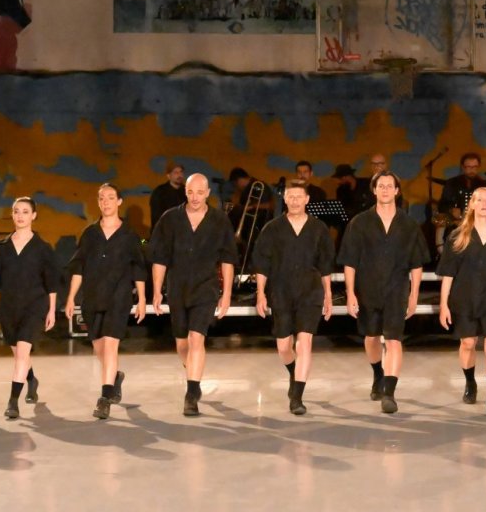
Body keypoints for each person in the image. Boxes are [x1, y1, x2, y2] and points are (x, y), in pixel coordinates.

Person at [145, 173, 237, 416]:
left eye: (200, 192)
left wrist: (227, 293)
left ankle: (191, 393)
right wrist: (157, 290)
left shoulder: (219, 220)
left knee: (197, 338)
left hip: (206, 287)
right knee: (182, 343)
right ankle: (193, 374)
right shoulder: (170, 219)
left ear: (208, 193)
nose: (195, 197)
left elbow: (228, 259)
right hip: (177, 287)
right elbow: (160, 258)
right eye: (190, 192)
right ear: (185, 192)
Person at [338, 171, 429, 414]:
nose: (386, 190)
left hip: (397, 288)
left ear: (397, 191)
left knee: (394, 339)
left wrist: (414, 294)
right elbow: (349, 262)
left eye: (390, 186)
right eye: (381, 186)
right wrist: (350, 293)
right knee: (371, 337)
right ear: (374, 190)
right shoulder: (359, 223)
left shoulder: (409, 225)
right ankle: (378, 373)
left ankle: (389, 393)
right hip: (367, 288)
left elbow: (417, 263)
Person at [66, 183, 148, 420]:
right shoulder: (90, 234)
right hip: (92, 297)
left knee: (111, 345)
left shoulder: (129, 235)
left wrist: (142, 299)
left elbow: (138, 268)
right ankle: (115, 377)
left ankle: (104, 399)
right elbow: (79, 267)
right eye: (102, 198)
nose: (106, 202)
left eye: (111, 197)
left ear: (119, 201)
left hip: (118, 297)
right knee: (99, 348)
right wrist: (71, 297)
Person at [253, 180, 335, 415]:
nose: (295, 201)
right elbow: (262, 264)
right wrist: (260, 293)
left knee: (305, 341)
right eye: (291, 196)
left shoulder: (318, 228)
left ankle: (297, 396)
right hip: (280, 290)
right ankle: (293, 372)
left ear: (307, 199)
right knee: (283, 347)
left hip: (310, 290)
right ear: (285, 198)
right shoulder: (272, 228)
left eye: (299, 196)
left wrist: (328, 295)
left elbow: (326, 265)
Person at [438, 187, 486, 417]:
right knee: (468, 344)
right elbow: (448, 274)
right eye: (479, 200)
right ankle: (470, 383)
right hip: (465, 298)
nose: (484, 204)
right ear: (471, 203)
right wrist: (443, 305)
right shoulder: (458, 236)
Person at [0, 197, 60, 420]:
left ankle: (13, 401)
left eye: (25, 211)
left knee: (23, 353)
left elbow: (52, 282)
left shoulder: (43, 248)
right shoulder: (1, 248)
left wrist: (51, 310)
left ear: (33, 215)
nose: (20, 216)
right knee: (19, 353)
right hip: (9, 307)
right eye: (16, 211)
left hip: (34, 306)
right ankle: (31, 379)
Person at [437, 152, 486, 223]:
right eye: (468, 167)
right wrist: (451, 210)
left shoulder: (484, 185)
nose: (472, 170)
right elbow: (442, 206)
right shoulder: (452, 183)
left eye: (475, 167)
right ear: (462, 167)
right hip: (455, 222)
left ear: (479, 167)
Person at [149, 162, 186, 231]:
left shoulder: (187, 192)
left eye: (181, 172)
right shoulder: (160, 192)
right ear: (168, 176)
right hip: (165, 232)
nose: (179, 175)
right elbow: (156, 217)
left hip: (184, 232)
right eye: (176, 172)